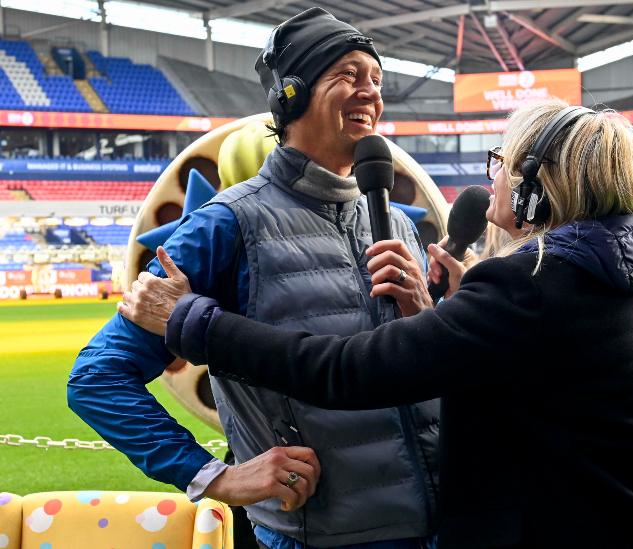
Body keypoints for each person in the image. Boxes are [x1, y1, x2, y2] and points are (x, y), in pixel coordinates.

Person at [119, 99, 633, 548]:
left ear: (539, 185)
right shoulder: (612, 268)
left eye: (502, 164)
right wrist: (438, 319)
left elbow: (350, 371)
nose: (493, 179)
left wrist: (191, 319)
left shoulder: (528, 283)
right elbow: (524, 383)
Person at [68, 8, 440, 549]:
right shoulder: (226, 225)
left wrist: (428, 312)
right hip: (321, 536)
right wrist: (217, 477)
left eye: (377, 80)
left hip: (442, 525)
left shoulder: (398, 223)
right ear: (291, 95)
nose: (370, 93)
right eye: (349, 75)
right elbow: (97, 378)